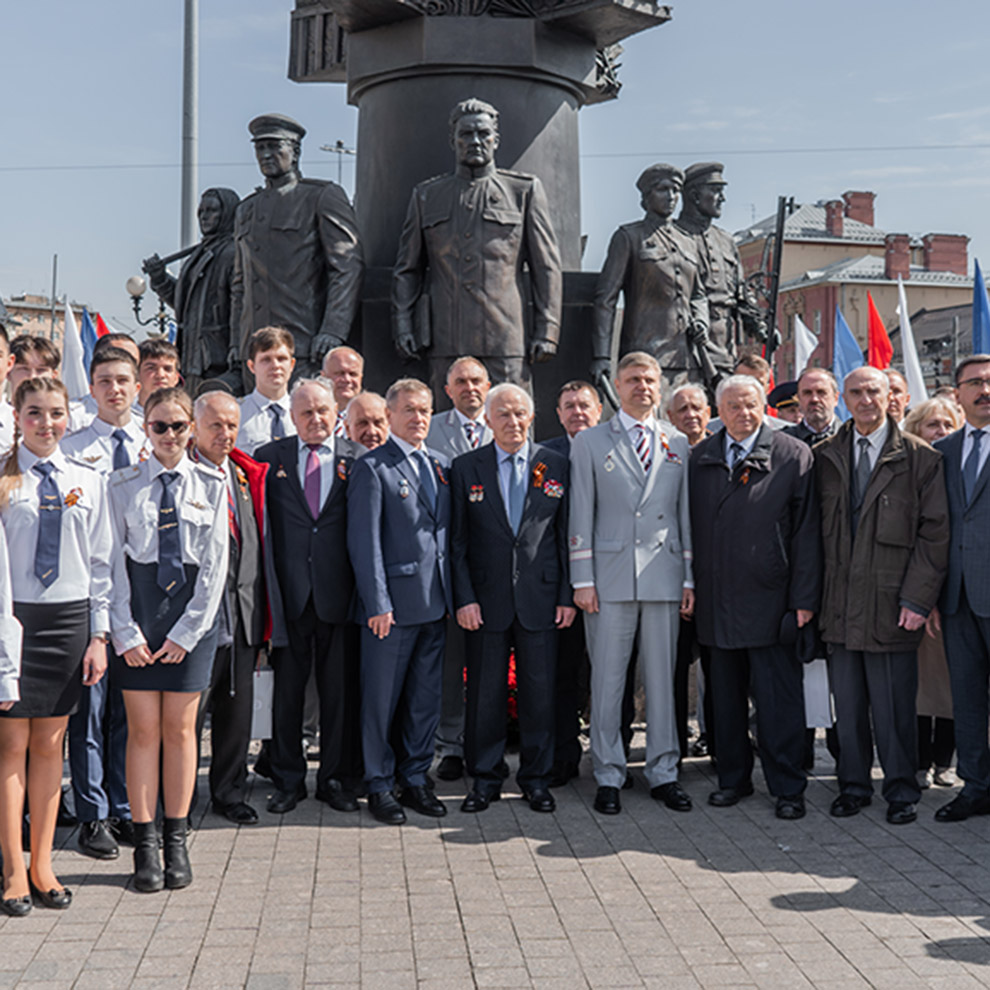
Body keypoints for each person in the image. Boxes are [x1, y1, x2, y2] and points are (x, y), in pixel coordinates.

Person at [816, 367, 948, 825]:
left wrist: (917, 599)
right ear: (843, 398)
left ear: (891, 395)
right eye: (856, 392)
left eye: (874, 390)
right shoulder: (824, 456)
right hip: (839, 605)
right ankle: (853, 787)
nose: (866, 399)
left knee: (894, 709)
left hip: (892, 606)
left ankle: (901, 790)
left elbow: (935, 535)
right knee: (848, 708)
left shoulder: (920, 458)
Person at [108, 386, 228, 891]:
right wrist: (124, 631)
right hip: (139, 615)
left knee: (180, 731)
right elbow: (111, 563)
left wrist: (187, 633)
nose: (169, 435)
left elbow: (216, 567)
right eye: (159, 426)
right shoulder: (121, 485)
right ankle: (145, 843)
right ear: (146, 428)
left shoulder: (212, 483)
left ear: (191, 429)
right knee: (142, 731)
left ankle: (176, 840)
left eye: (178, 426)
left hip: (190, 620)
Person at [0, 377, 111, 915]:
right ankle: (13, 869)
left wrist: (99, 634)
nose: (47, 424)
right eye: (35, 413)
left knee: (51, 746)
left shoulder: (88, 479)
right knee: (10, 746)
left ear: (69, 417)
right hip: (13, 621)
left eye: (56, 413)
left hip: (68, 622)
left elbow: (101, 563)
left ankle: (43, 863)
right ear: (17, 416)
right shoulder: (3, 479)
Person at [690, 375, 821, 819]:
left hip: (773, 601)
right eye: (733, 406)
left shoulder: (792, 455)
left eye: (751, 405)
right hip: (716, 599)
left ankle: (788, 787)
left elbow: (807, 535)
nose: (743, 413)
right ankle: (733, 779)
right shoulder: (700, 457)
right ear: (719, 411)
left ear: (763, 407)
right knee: (725, 702)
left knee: (778, 703)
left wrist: (803, 599)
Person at [569, 351, 694, 816]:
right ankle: (608, 773)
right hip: (609, 577)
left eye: (650, 379)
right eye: (633, 379)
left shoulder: (676, 441)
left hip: (664, 575)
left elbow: (683, 514)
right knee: (607, 682)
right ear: (617, 387)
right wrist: (582, 579)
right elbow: (580, 512)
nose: (642, 386)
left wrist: (689, 577)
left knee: (663, 682)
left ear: (660, 387)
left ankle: (664, 771)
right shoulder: (590, 441)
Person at [450, 383, 574, 813]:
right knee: (485, 695)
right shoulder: (466, 467)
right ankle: (484, 778)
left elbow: (564, 536)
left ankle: (536, 780)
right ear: (487, 419)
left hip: (542, 600)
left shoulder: (555, 464)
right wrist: (464, 598)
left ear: (532, 417)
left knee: (540, 694)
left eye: (520, 413)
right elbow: (457, 543)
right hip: (485, 603)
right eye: (503, 414)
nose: (513, 421)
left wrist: (566, 596)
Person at [393, 98, 563, 404]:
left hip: (506, 337)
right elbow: (408, 269)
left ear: (496, 140)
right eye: (466, 134)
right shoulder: (427, 196)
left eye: (483, 134)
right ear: (453, 141)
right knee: (445, 423)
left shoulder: (523, 191)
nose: (475, 141)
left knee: (512, 417)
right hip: (446, 339)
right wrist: (403, 324)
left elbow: (546, 267)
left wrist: (547, 329)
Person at [253, 380, 362, 815]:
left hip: (340, 597)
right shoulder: (269, 458)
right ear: (292, 417)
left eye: (322, 411)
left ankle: (334, 779)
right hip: (289, 597)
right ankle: (287, 780)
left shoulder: (357, 459)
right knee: (287, 695)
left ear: (336, 413)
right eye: (306, 413)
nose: (315, 419)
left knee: (339, 695)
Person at [347, 379, 451, 825]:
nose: (418, 418)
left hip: (435, 602)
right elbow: (364, 541)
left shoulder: (441, 464)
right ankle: (378, 782)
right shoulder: (373, 467)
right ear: (390, 416)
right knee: (381, 701)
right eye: (409, 410)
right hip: (390, 610)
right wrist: (377, 603)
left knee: (425, 700)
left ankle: (415, 777)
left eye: (425, 410)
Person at [62, 348, 147, 860]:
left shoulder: (153, 440)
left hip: (138, 595)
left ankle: (124, 806)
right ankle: (92, 813)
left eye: (123, 381)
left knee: (128, 713)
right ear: (91, 389)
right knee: (90, 713)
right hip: (92, 591)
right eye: (104, 381)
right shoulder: (73, 447)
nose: (115, 389)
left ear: (137, 388)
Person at [232, 114, 364, 382]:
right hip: (253, 350)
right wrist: (236, 343)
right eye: (260, 148)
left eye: (274, 147)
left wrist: (333, 330)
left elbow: (347, 267)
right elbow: (239, 284)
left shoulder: (319, 196)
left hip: (302, 346)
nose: (265, 155)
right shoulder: (246, 209)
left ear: (295, 152)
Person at [191, 392, 270, 825]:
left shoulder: (242, 473)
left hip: (241, 615)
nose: (225, 434)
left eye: (232, 426)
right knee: (189, 717)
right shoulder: (183, 474)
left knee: (236, 713)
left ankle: (229, 792)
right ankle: (180, 800)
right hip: (196, 620)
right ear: (195, 427)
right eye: (215, 425)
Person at [424, 356, 492, 782]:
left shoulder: (506, 424)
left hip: (495, 564)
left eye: (476, 381)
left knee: (489, 660)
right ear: (447, 391)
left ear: (488, 386)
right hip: (445, 564)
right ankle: (450, 745)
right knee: (450, 663)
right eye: (461, 382)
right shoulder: (430, 430)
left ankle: (484, 741)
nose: (470, 388)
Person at [592, 164, 711, 401]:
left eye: (675, 190)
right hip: (645, 357)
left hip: (686, 359)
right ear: (647, 197)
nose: (671, 196)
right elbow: (606, 299)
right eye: (663, 189)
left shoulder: (688, 241)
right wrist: (602, 356)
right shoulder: (629, 237)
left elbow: (698, 294)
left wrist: (701, 320)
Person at [932, 356, 990, 821]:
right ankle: (975, 787)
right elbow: (933, 528)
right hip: (956, 598)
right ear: (957, 394)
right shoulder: (942, 452)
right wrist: (930, 596)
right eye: (975, 383)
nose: (985, 390)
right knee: (967, 698)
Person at [540, 380, 603, 786]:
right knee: (563, 675)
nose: (577, 412)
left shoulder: (615, 448)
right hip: (560, 591)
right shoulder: (544, 457)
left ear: (599, 410)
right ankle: (564, 756)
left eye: (584, 405)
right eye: (569, 406)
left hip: (611, 584)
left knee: (611, 676)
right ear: (558, 414)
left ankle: (610, 756)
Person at [902, 395, 963, 790]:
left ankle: (945, 762)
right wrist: (923, 597)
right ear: (916, 430)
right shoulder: (911, 471)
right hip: (920, 595)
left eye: (947, 425)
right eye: (932, 424)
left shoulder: (964, 467)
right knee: (922, 690)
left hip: (958, 595)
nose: (940, 432)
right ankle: (920, 762)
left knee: (955, 688)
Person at [142, 188, 241, 395]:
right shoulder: (199, 254)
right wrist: (160, 279)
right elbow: (186, 306)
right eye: (201, 211)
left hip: (217, 359)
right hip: (191, 358)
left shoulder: (233, 254)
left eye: (212, 211)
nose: (204, 217)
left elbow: (241, 309)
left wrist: (236, 348)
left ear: (228, 213)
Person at [666, 383, 715, 762]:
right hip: (673, 581)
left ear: (709, 412)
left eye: (696, 407)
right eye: (681, 409)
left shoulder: (722, 451)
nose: (690, 415)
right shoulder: (662, 453)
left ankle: (717, 742)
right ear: (669, 417)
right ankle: (674, 748)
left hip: (716, 580)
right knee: (673, 669)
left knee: (718, 670)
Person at [674, 162, 767, 362]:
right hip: (684, 344)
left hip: (724, 346)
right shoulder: (672, 237)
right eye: (716, 191)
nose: (722, 198)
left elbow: (741, 292)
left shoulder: (726, 240)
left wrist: (760, 326)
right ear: (694, 195)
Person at [237, 328, 297, 457]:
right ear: (251, 366)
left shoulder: (304, 412)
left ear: (292, 364)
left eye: (282, 358)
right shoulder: (237, 414)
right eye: (266, 359)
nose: (275, 365)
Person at [785, 367, 842, 446]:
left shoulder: (852, 438)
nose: (814, 399)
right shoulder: (783, 442)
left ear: (835, 398)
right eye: (807, 393)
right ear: (799, 399)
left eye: (821, 392)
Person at [321, 346, 364, 438]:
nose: (347, 379)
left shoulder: (373, 417)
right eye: (340, 373)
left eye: (353, 374)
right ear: (323, 376)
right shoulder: (309, 415)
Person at [137, 340, 181, 410]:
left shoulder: (189, 415)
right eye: (151, 368)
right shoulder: (122, 414)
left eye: (167, 369)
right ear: (136, 375)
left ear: (176, 378)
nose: (161, 375)